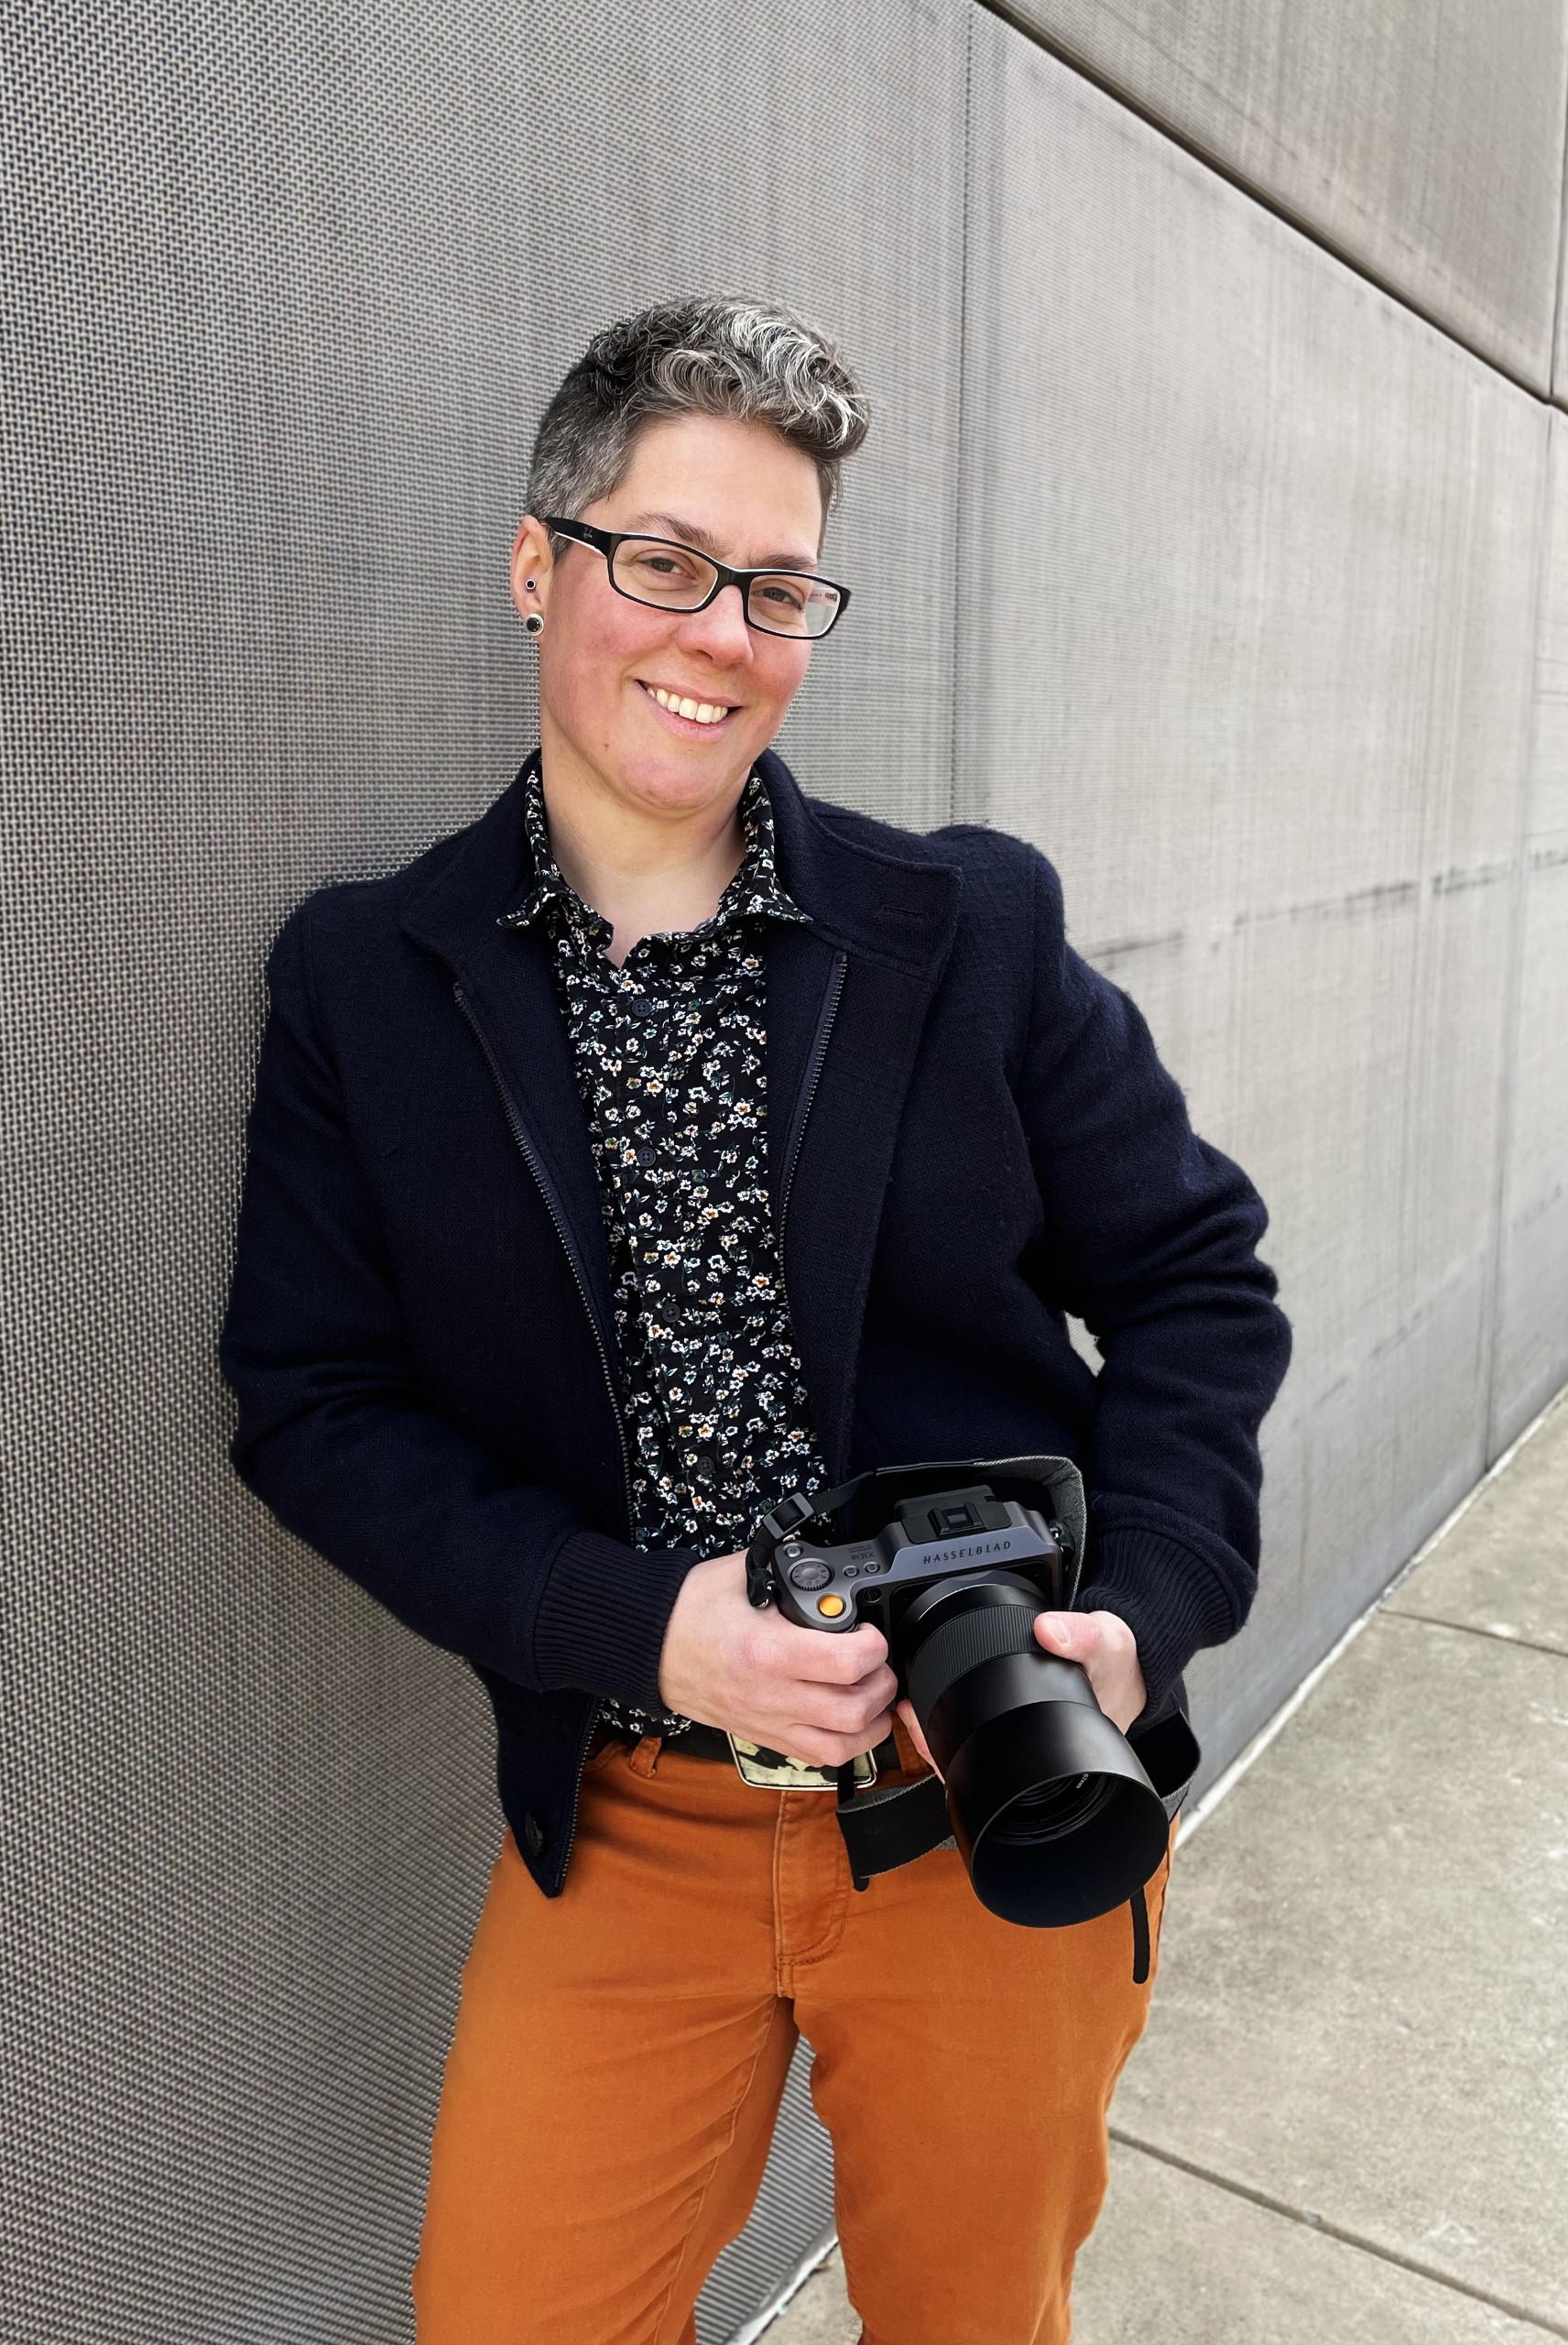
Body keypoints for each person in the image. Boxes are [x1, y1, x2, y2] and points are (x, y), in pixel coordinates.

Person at [220, 293, 1291, 2345]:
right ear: (542, 562)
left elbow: (1190, 1280)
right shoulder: (368, 980)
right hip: (626, 1809)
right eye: (665, 561)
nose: (719, 633)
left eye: (779, 587)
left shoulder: (967, 927)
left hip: (995, 1783)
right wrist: (641, 1624)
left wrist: (1143, 1605)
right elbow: (313, 1403)